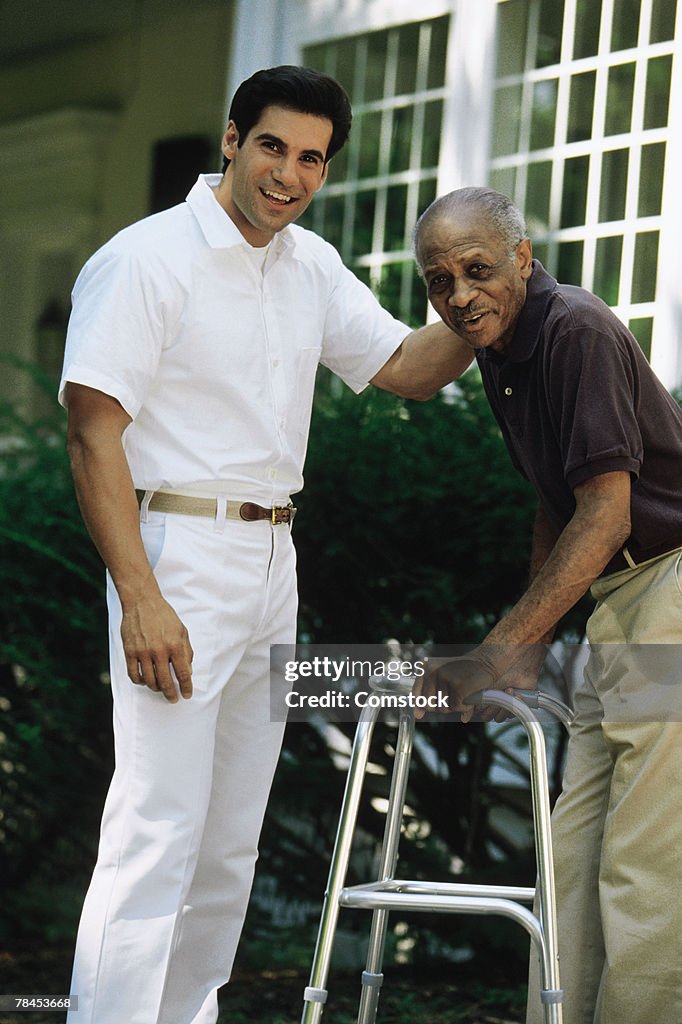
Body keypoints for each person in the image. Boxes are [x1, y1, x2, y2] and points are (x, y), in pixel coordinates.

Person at [59, 66, 471, 1024]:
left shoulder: (311, 266)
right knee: (157, 824)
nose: (289, 174)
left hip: (272, 558)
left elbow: (405, 368)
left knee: (229, 836)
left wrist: (486, 301)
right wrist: (141, 594)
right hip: (174, 554)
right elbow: (92, 431)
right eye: (274, 147)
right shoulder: (147, 258)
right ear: (232, 140)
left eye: (313, 159)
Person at [412, 186, 682, 1024]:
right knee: (571, 856)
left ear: (523, 259)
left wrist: (499, 649)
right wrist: (533, 641)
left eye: (478, 270)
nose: (459, 295)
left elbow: (606, 513)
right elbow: (557, 497)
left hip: (671, 591)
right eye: (439, 281)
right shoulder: (505, 341)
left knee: (644, 865)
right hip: (619, 601)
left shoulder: (576, 330)